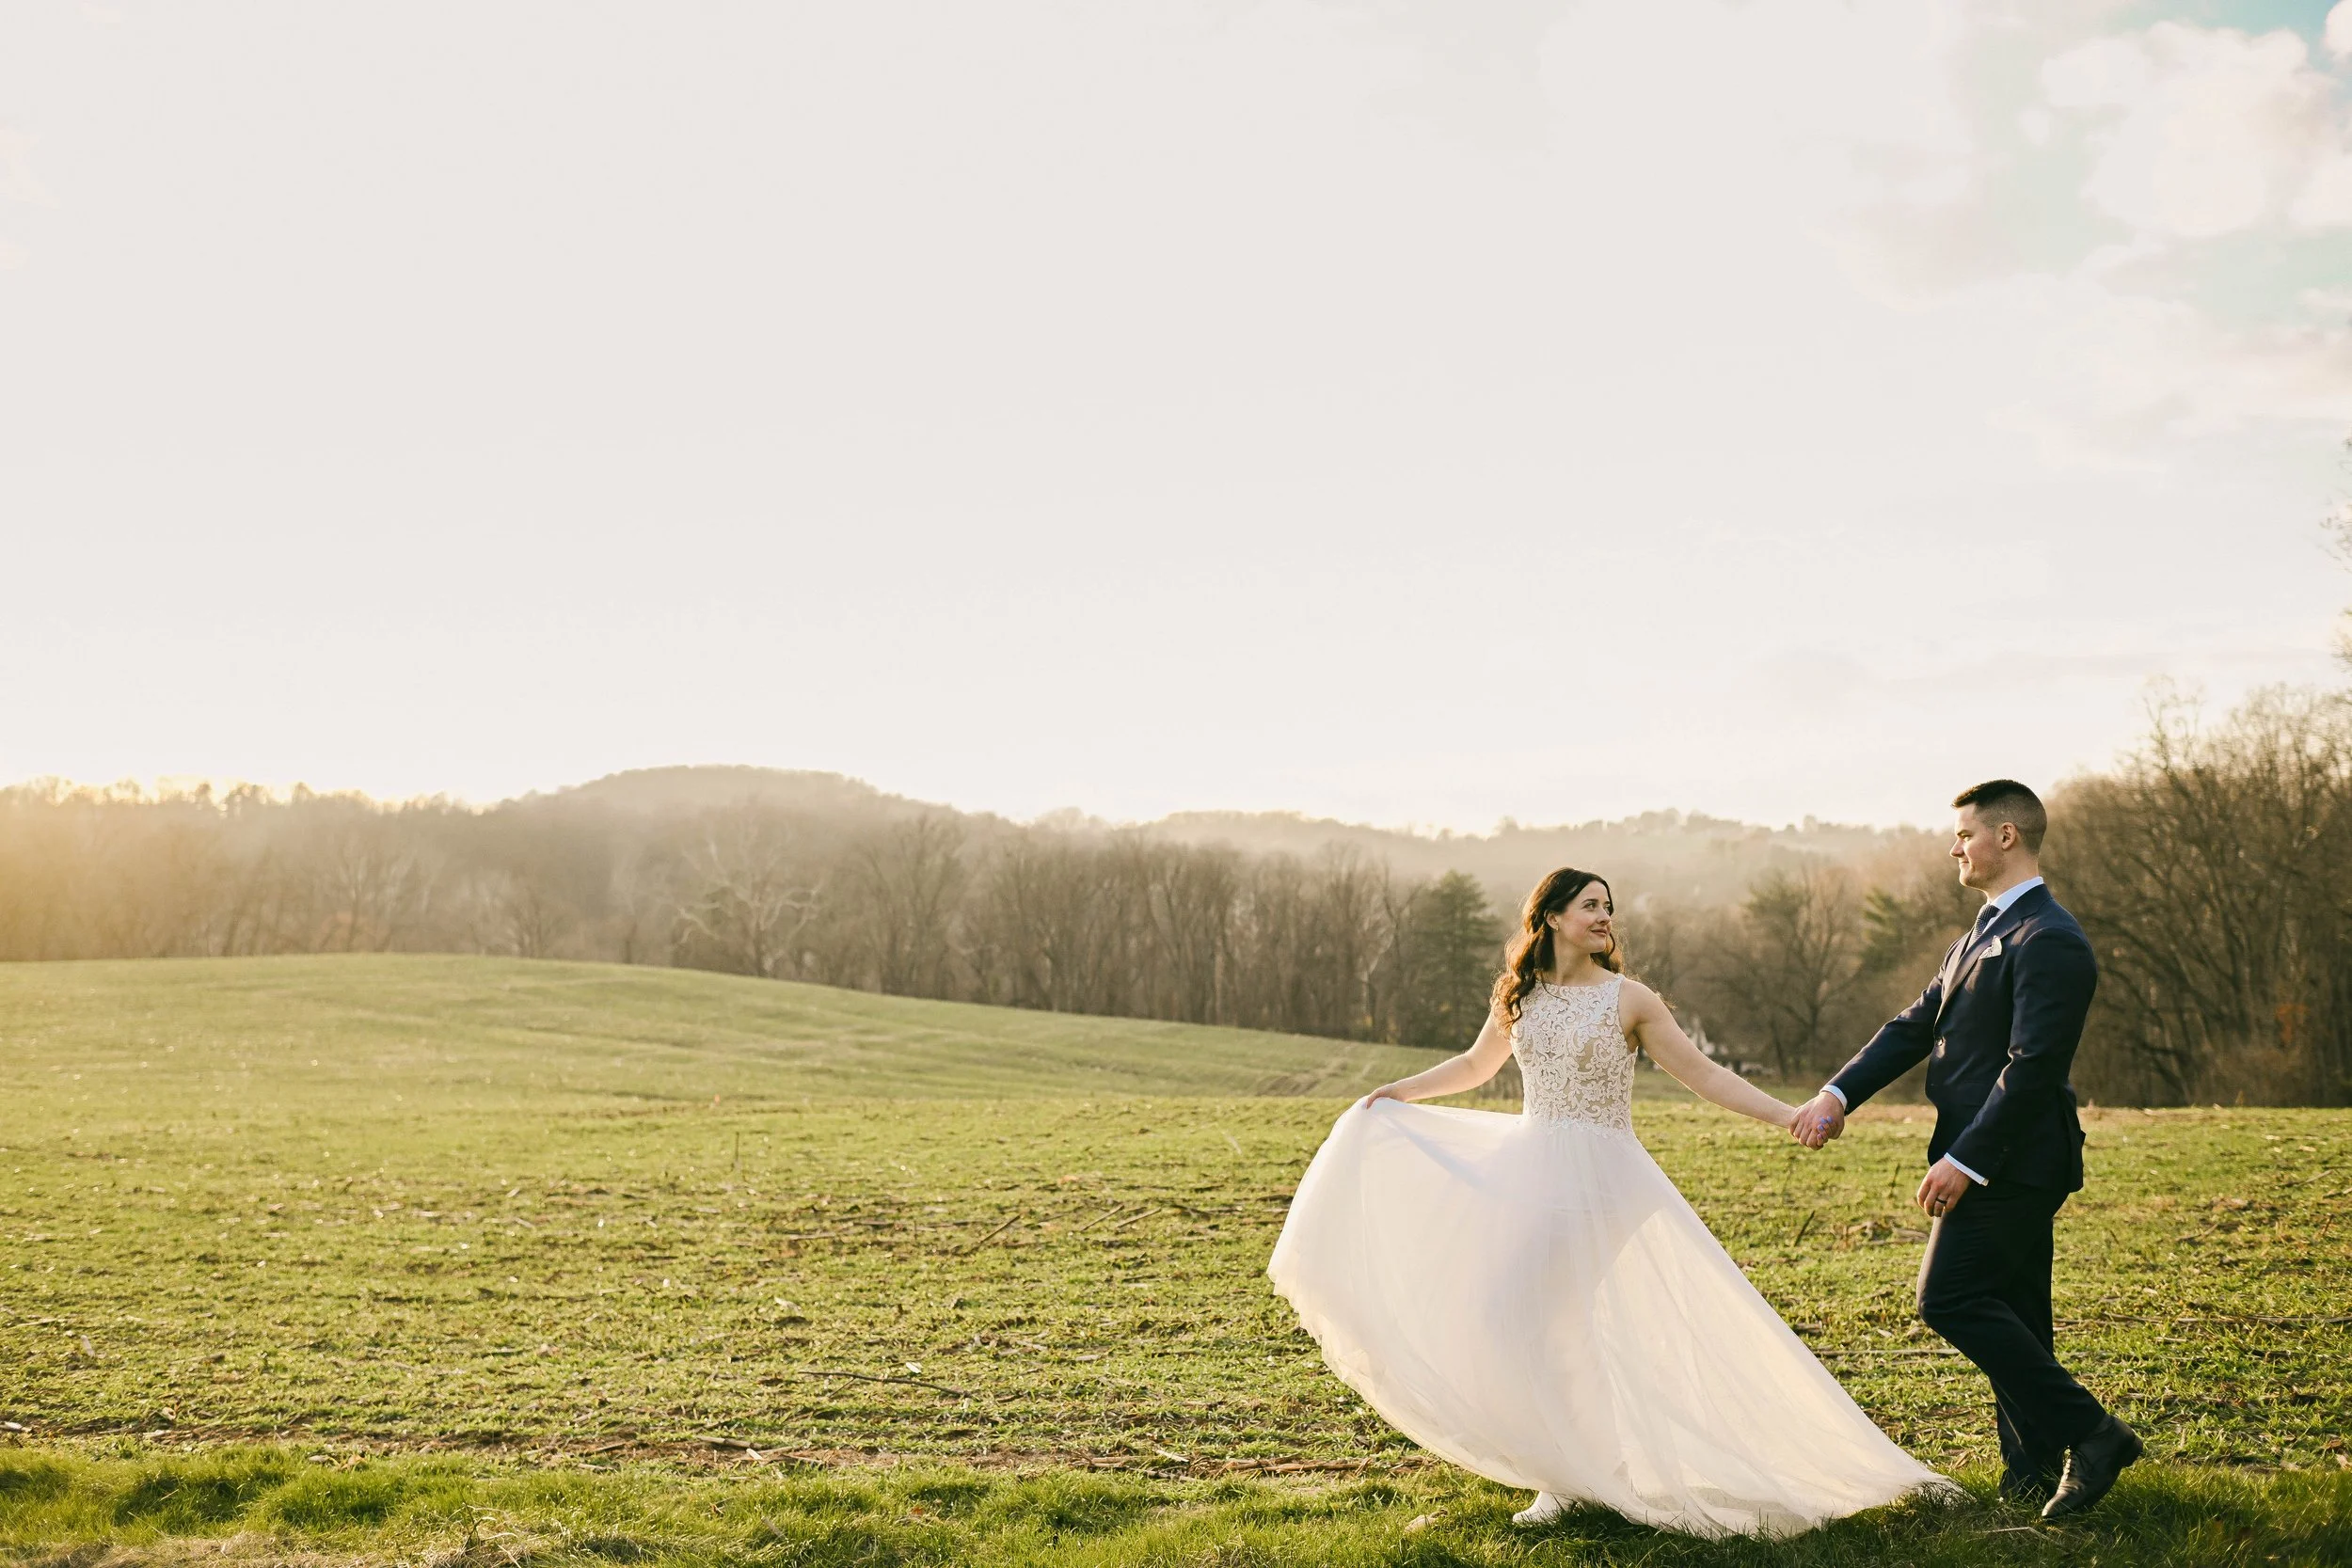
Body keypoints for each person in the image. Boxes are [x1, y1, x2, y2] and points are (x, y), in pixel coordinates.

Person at [1266, 866, 1951, 1538]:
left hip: (1602, 1179)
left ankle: (1576, 1474)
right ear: (1553, 916)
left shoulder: (1630, 999)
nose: (1604, 917)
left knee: (1527, 1312)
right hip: (1532, 1165)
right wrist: (1397, 1092)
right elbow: (1476, 1066)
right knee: (1539, 1320)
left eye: (1609, 907)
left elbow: (1705, 1074)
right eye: (1590, 905)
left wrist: (1788, 1115)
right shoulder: (1521, 994)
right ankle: (1583, 1469)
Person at [1790, 780, 2138, 1520]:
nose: (1954, 847)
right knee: (2017, 1313)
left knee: (1947, 1298)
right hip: (1997, 1157)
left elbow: (2033, 1068)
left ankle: (2097, 1434)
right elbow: (1913, 1026)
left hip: (2015, 1160)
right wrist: (1837, 1093)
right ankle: (2031, 1478)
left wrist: (1967, 1159)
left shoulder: (2052, 938)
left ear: (2005, 836)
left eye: (1963, 834)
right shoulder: (1982, 930)